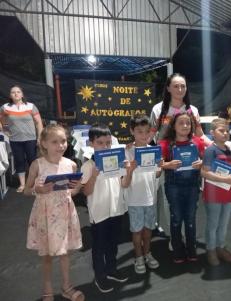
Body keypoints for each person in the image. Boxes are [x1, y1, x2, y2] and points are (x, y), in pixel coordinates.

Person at [24, 125, 84, 301]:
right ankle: (47, 289)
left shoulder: (71, 164)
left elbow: (71, 192)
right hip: (45, 214)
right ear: (44, 143)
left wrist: (77, 187)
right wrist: (39, 189)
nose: (60, 145)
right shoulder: (37, 165)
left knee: (65, 252)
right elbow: (27, 190)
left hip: (65, 212)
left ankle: (67, 286)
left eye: (63, 141)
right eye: (55, 142)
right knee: (48, 255)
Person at [149, 73, 211, 238]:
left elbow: (200, 135)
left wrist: (215, 146)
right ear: (168, 88)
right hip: (166, 160)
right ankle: (174, 237)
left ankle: (184, 236)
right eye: (176, 86)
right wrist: (136, 146)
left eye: (183, 86)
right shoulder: (158, 109)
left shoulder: (192, 110)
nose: (180, 89)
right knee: (168, 200)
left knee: (189, 202)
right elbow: (150, 135)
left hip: (189, 161)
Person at [81, 124, 132, 293]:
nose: (105, 146)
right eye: (100, 143)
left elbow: (124, 184)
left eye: (108, 143)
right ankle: (100, 276)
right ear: (91, 143)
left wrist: (129, 171)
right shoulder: (88, 166)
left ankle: (111, 269)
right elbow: (86, 191)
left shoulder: (117, 161)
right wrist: (94, 176)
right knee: (99, 246)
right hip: (99, 213)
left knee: (113, 243)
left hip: (116, 210)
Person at [159, 112, 205, 263]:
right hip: (173, 186)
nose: (185, 126)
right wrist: (167, 165)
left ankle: (192, 250)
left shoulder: (198, 142)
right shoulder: (164, 144)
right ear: (173, 126)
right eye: (181, 123)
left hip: (192, 185)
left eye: (188, 123)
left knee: (191, 218)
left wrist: (202, 163)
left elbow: (206, 160)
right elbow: (156, 165)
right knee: (176, 218)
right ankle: (178, 251)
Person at [124, 115, 161, 274]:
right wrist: (131, 167)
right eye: (140, 131)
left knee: (148, 230)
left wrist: (160, 167)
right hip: (135, 200)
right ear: (132, 131)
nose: (144, 135)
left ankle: (147, 253)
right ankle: (138, 257)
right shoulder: (127, 151)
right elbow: (125, 177)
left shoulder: (153, 150)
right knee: (136, 231)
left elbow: (157, 174)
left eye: (147, 132)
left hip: (150, 198)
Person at [201, 118, 231, 266]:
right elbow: (204, 173)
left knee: (223, 224)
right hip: (213, 194)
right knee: (213, 224)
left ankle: (220, 248)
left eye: (227, 131)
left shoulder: (228, 149)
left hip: (227, 194)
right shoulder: (210, 150)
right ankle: (210, 250)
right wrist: (225, 179)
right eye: (221, 131)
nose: (225, 133)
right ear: (212, 133)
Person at [0, 85, 43, 192]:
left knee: (32, 162)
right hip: (15, 140)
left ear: (22, 94)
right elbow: (2, 120)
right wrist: (4, 130)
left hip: (30, 139)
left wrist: (40, 137)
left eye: (18, 92)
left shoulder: (31, 106)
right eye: (13, 92)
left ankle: (34, 184)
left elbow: (39, 123)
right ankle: (22, 185)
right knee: (19, 161)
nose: (16, 94)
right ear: (10, 95)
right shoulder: (5, 107)